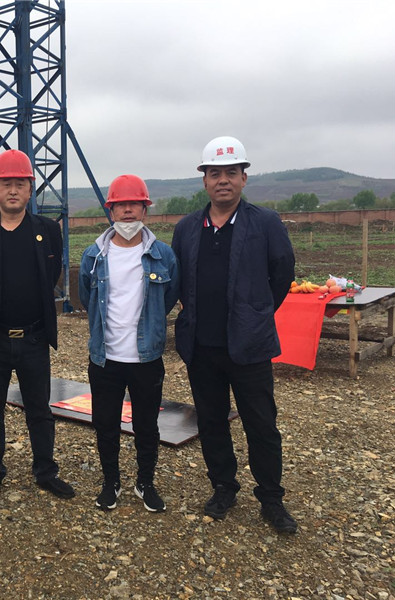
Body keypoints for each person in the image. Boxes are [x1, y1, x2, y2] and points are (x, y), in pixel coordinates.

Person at [171, 136, 298, 533]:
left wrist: (256, 313)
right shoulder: (187, 228)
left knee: (261, 424)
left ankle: (271, 498)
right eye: (215, 173)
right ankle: (223, 487)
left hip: (249, 346)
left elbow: (282, 274)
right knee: (211, 421)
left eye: (230, 172)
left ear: (244, 178)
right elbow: (179, 278)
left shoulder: (265, 223)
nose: (222, 180)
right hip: (202, 346)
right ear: (204, 181)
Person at [0, 149, 74, 503]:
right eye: (6, 183)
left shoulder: (47, 230)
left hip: (33, 336)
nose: (13, 190)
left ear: (30, 189)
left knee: (39, 408)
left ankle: (45, 471)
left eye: (20, 184)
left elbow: (51, 274)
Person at [79, 175, 179, 512]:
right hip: (105, 358)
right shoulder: (94, 255)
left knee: (146, 426)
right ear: (111, 210)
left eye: (134, 204)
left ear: (144, 209)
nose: (127, 211)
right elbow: (86, 297)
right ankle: (111, 482)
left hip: (146, 358)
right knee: (105, 424)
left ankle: (145, 482)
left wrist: (150, 328)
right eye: (120, 205)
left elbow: (169, 297)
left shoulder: (162, 255)